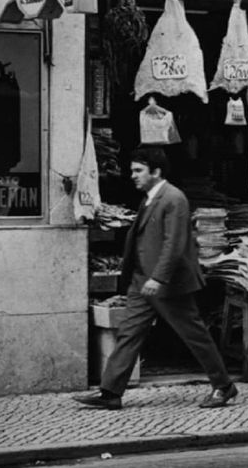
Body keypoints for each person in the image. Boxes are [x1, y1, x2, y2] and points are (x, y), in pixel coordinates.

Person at [74, 147, 239, 410]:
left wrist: (159, 278)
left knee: (194, 334)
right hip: (143, 281)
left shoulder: (174, 198)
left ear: (156, 172)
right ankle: (110, 392)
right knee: (129, 333)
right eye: (132, 171)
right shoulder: (151, 198)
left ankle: (223, 386)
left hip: (168, 284)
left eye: (138, 171)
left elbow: (173, 243)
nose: (133, 176)